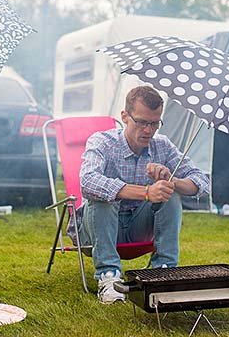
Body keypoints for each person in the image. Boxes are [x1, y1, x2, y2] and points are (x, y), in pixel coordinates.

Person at [78, 84, 209, 304]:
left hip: (138, 227)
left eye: (154, 123)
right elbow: (87, 181)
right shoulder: (102, 142)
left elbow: (201, 181)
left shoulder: (162, 146)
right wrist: (147, 192)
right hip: (96, 229)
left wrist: (171, 180)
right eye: (141, 122)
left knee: (170, 192)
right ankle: (109, 277)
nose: (148, 130)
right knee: (103, 196)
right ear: (125, 116)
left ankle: (163, 273)